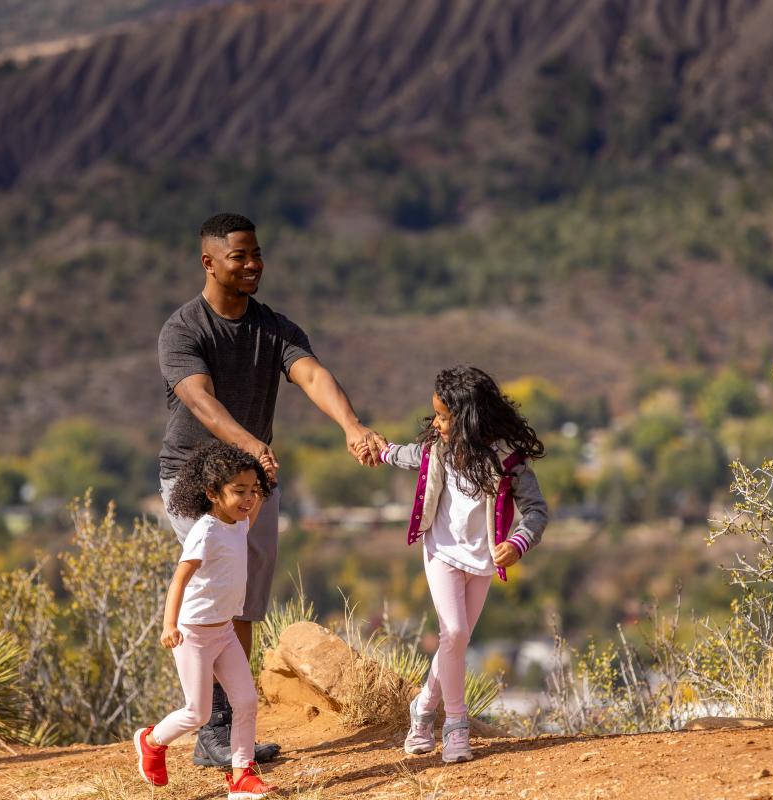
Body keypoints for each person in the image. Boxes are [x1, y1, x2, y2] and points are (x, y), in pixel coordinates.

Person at [158, 212, 387, 767]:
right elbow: (202, 403)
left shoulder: (274, 327)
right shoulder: (184, 330)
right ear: (209, 262)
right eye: (239, 255)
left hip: (251, 486)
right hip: (194, 481)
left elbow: (310, 374)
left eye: (257, 253)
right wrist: (251, 447)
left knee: (243, 601)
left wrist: (351, 426)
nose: (253, 264)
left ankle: (228, 730)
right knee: (213, 591)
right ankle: (210, 729)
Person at [366, 365, 549, 763]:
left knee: (455, 640)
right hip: (441, 552)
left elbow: (536, 511)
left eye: (444, 417)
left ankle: (420, 709)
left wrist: (519, 543)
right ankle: (455, 725)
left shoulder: (507, 460)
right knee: (454, 630)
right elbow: (407, 454)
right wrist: (379, 450)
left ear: (468, 419)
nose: (436, 423)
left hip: (482, 561)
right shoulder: (438, 448)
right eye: (436, 414)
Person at [134, 441, 281, 798]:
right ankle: (152, 741)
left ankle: (242, 776)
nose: (248, 498)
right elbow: (179, 579)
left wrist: (267, 482)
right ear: (213, 493)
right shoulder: (206, 531)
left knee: (245, 702)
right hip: (193, 636)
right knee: (197, 713)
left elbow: (252, 512)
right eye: (238, 491)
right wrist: (169, 625)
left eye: (252, 490)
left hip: (225, 632)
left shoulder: (237, 523)